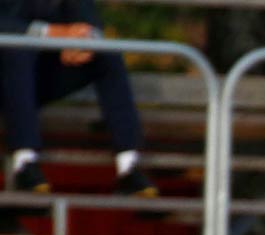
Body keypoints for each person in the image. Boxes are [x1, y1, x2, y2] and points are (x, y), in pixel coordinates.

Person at [1, 0, 155, 197]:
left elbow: (88, 18)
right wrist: (51, 33)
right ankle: (24, 162)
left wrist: (84, 39)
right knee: (17, 48)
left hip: (38, 77)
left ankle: (129, 165)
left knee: (106, 54)